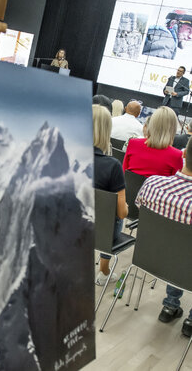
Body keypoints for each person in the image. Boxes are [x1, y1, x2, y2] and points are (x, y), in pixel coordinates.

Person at [135, 137, 192, 337]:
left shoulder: (152, 183)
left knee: (176, 246)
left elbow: (139, 210)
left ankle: (169, 306)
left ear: (183, 154)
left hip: (151, 257)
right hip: (186, 266)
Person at [93, 104, 128, 286]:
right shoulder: (113, 165)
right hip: (98, 233)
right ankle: (104, 271)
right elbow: (122, 213)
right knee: (116, 215)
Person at [123, 106, 183, 177]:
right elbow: (173, 185)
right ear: (173, 129)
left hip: (128, 187)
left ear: (152, 124)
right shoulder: (177, 155)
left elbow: (123, 172)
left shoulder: (133, 143)